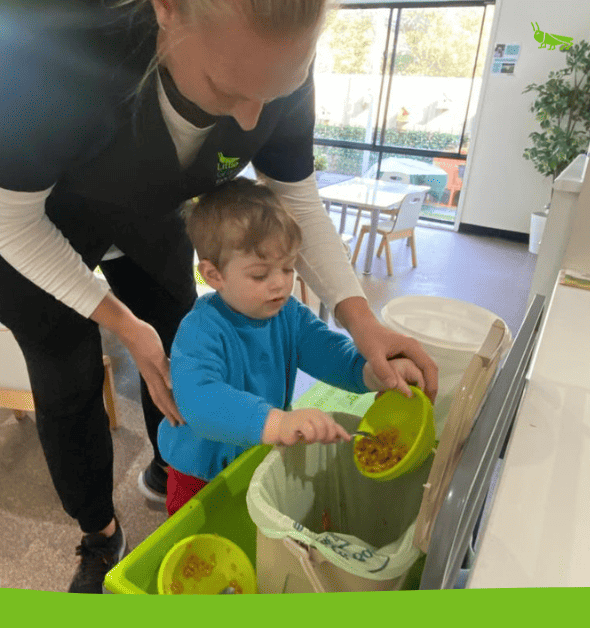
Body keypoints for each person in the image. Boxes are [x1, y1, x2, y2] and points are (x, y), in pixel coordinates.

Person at [0, 0, 437, 593]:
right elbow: (11, 221)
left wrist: (364, 326)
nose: (254, 120)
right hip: (40, 228)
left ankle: (172, 457)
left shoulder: (275, 69)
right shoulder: (48, 54)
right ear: (169, 11)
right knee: (68, 381)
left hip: (151, 220)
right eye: (228, 88)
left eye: (276, 92)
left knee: (175, 349)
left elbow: (294, 189)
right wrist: (123, 324)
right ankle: (101, 534)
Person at [161, 179, 424, 515]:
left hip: (257, 452)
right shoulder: (200, 330)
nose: (281, 283)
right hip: (200, 472)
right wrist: (277, 422)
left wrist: (373, 372)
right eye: (260, 275)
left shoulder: (289, 315)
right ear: (214, 275)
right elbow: (201, 402)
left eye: (288, 268)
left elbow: (331, 353)